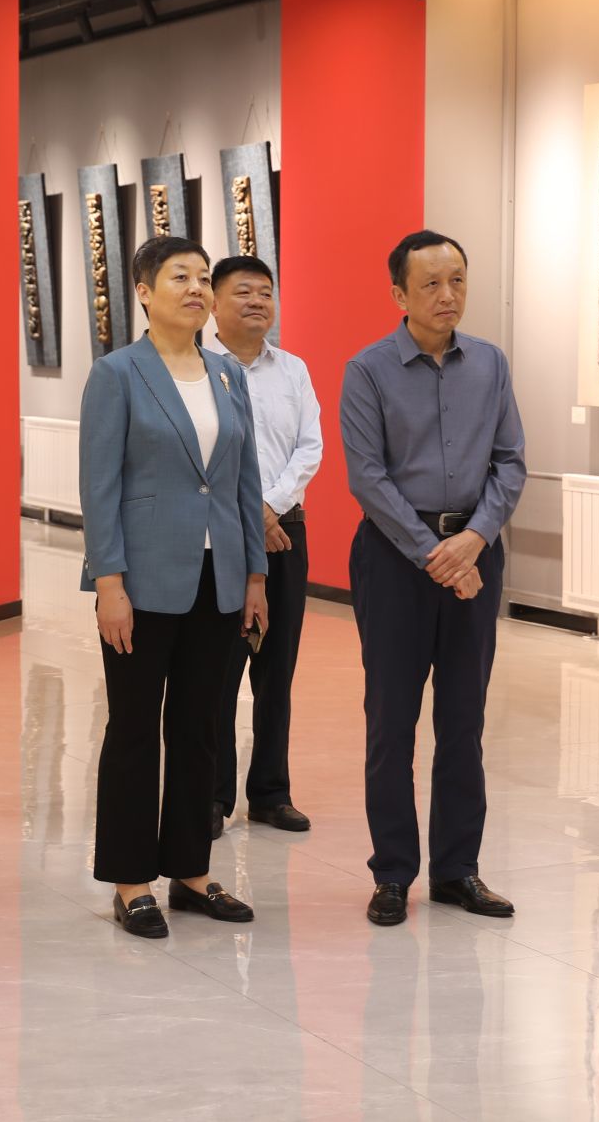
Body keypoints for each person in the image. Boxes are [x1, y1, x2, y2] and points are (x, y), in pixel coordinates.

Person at [80, 235, 269, 938]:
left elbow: (243, 480)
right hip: (142, 580)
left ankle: (191, 870)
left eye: (201, 277)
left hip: (219, 580)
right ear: (143, 291)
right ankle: (131, 879)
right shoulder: (117, 374)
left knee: (199, 727)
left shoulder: (226, 374)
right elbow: (99, 486)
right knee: (134, 728)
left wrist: (255, 575)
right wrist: (109, 583)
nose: (195, 288)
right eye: (179, 277)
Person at [340, 230, 525, 927]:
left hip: (475, 553)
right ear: (399, 294)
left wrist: (474, 540)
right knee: (391, 721)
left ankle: (457, 870)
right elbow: (368, 478)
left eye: (457, 281)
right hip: (395, 559)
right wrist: (434, 555)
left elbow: (511, 461)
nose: (448, 296)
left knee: (464, 719)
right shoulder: (367, 371)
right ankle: (392, 872)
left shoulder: (491, 363)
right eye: (431, 284)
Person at [205, 255, 323, 838]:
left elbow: (310, 447)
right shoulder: (198, 367)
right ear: (214, 302)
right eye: (243, 291)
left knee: (277, 670)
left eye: (266, 292)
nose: (258, 301)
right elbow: (204, 454)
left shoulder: (293, 369)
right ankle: (212, 795)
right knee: (219, 671)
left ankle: (271, 793)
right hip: (222, 533)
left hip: (284, 532)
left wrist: (270, 508)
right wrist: (254, 514)